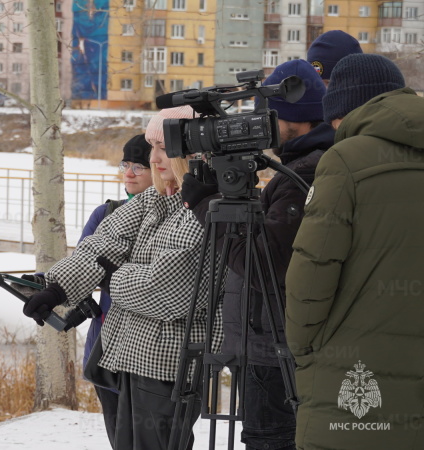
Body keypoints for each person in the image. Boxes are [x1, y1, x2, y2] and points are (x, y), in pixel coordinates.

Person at [23, 106, 223, 450]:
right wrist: (56, 288)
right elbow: (105, 240)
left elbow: (164, 289)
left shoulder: (205, 206)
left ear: (194, 152)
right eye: (152, 148)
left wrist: (113, 278)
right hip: (134, 355)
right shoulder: (161, 196)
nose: (154, 158)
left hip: (168, 362)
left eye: (163, 148)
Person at [181, 59, 330, 450]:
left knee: (268, 439)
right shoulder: (299, 169)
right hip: (269, 341)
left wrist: (205, 204)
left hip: (272, 348)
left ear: (292, 119)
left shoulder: (304, 177)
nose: (256, 128)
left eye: (264, 118)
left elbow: (264, 259)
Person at [286, 54, 424, 448]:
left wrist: (305, 350)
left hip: (350, 374)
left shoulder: (345, 161)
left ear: (346, 113)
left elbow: (311, 273)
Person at [78, 133, 153, 446]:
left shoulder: (179, 218)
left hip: (152, 352)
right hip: (106, 346)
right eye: (125, 165)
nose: (129, 173)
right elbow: (81, 269)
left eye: (139, 166)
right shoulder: (106, 214)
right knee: (120, 437)